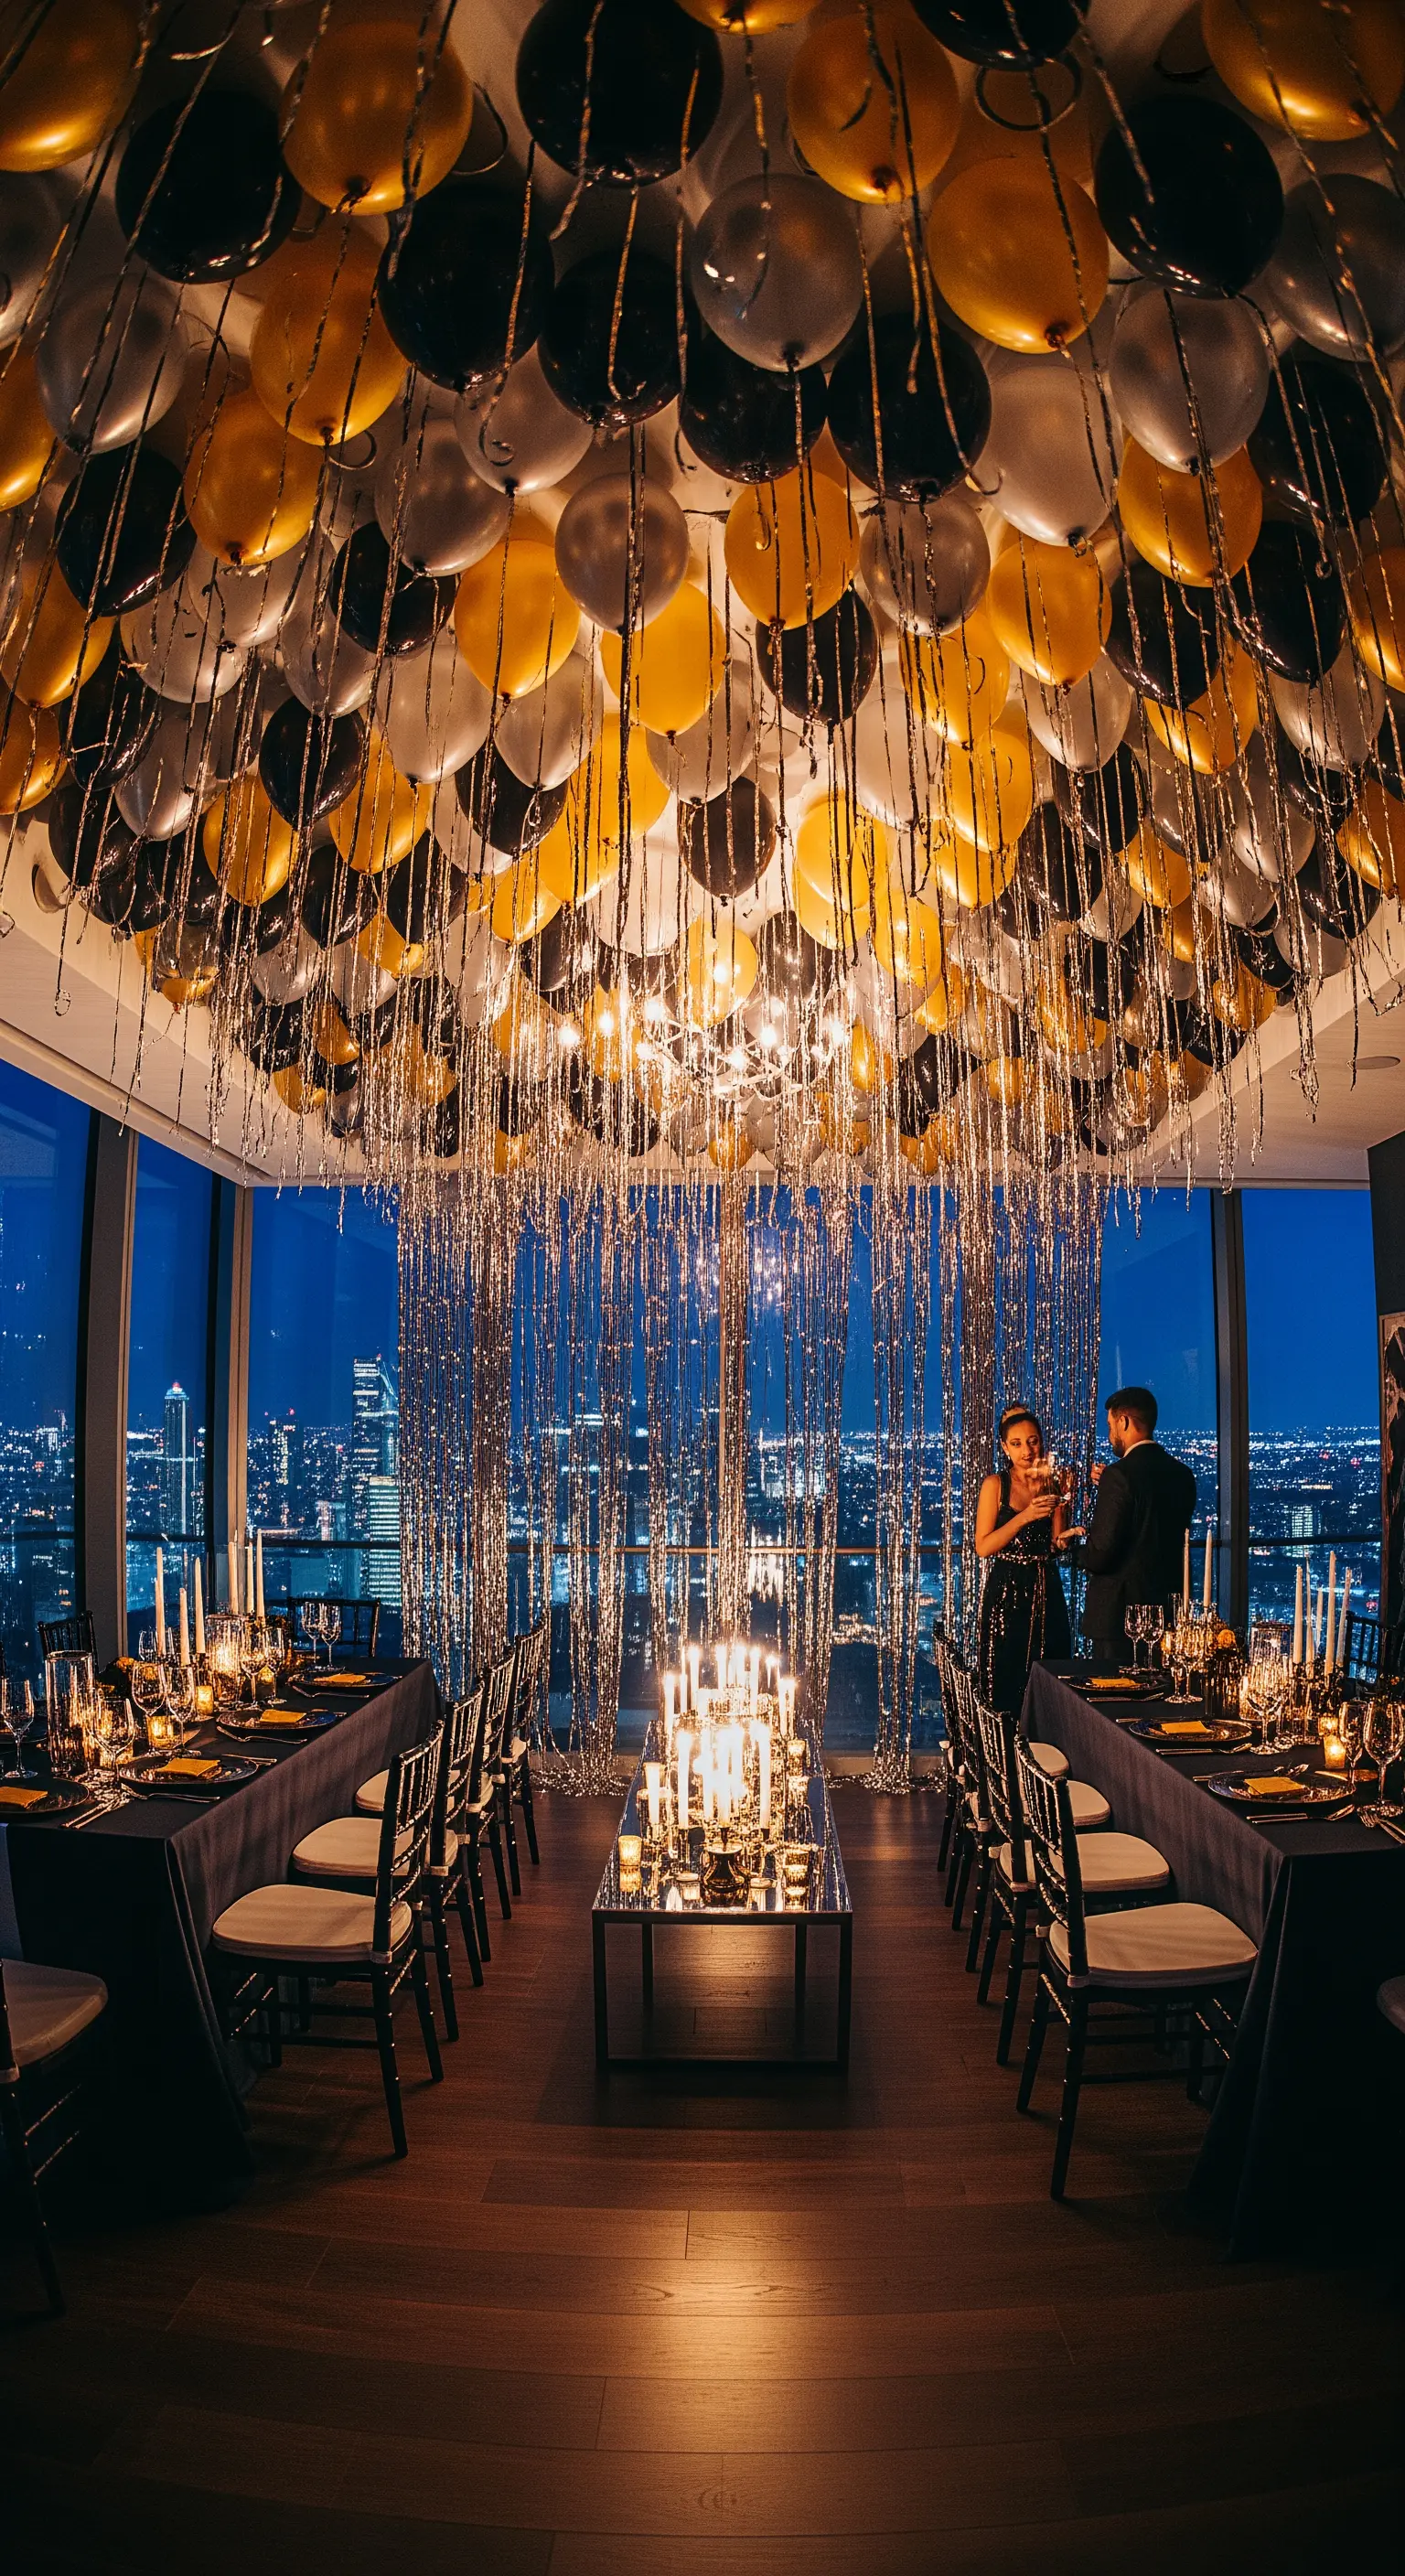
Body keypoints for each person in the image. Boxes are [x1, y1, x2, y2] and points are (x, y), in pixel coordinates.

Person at [1075, 1384, 1197, 1669]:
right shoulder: (1182, 1475)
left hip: (1120, 1620)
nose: (1110, 1436)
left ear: (1124, 1421)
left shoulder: (1119, 1476)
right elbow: (1153, 1525)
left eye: (1110, 1426)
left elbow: (1101, 1554)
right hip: (1167, 1613)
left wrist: (1070, 1547)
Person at [974, 1405, 1073, 1716]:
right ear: (1004, 1447)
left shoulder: (1050, 1482)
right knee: (1005, 1673)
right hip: (1007, 1589)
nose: (1026, 1450)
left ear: (1041, 1441)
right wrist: (1026, 1517)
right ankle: (1004, 1756)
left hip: (1047, 1587)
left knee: (1050, 1672)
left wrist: (1068, 1531)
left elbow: (1057, 1544)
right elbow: (983, 1547)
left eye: (1032, 1441)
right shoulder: (995, 1485)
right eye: (1016, 1444)